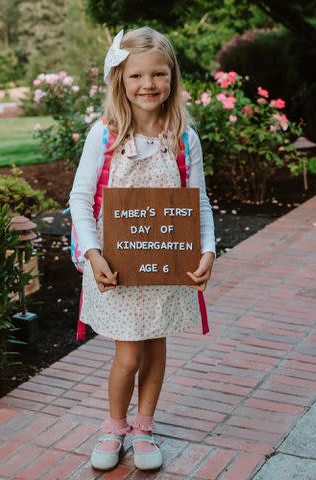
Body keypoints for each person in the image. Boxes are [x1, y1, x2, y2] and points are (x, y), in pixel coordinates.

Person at [69, 27, 216, 472]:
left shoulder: (184, 139)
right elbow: (79, 199)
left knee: (155, 349)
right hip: (116, 269)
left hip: (165, 265)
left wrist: (207, 251)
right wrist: (93, 255)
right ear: (120, 79)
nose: (147, 84)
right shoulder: (105, 136)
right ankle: (114, 425)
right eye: (136, 76)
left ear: (172, 78)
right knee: (128, 354)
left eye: (158, 74)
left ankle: (144, 426)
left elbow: (198, 202)